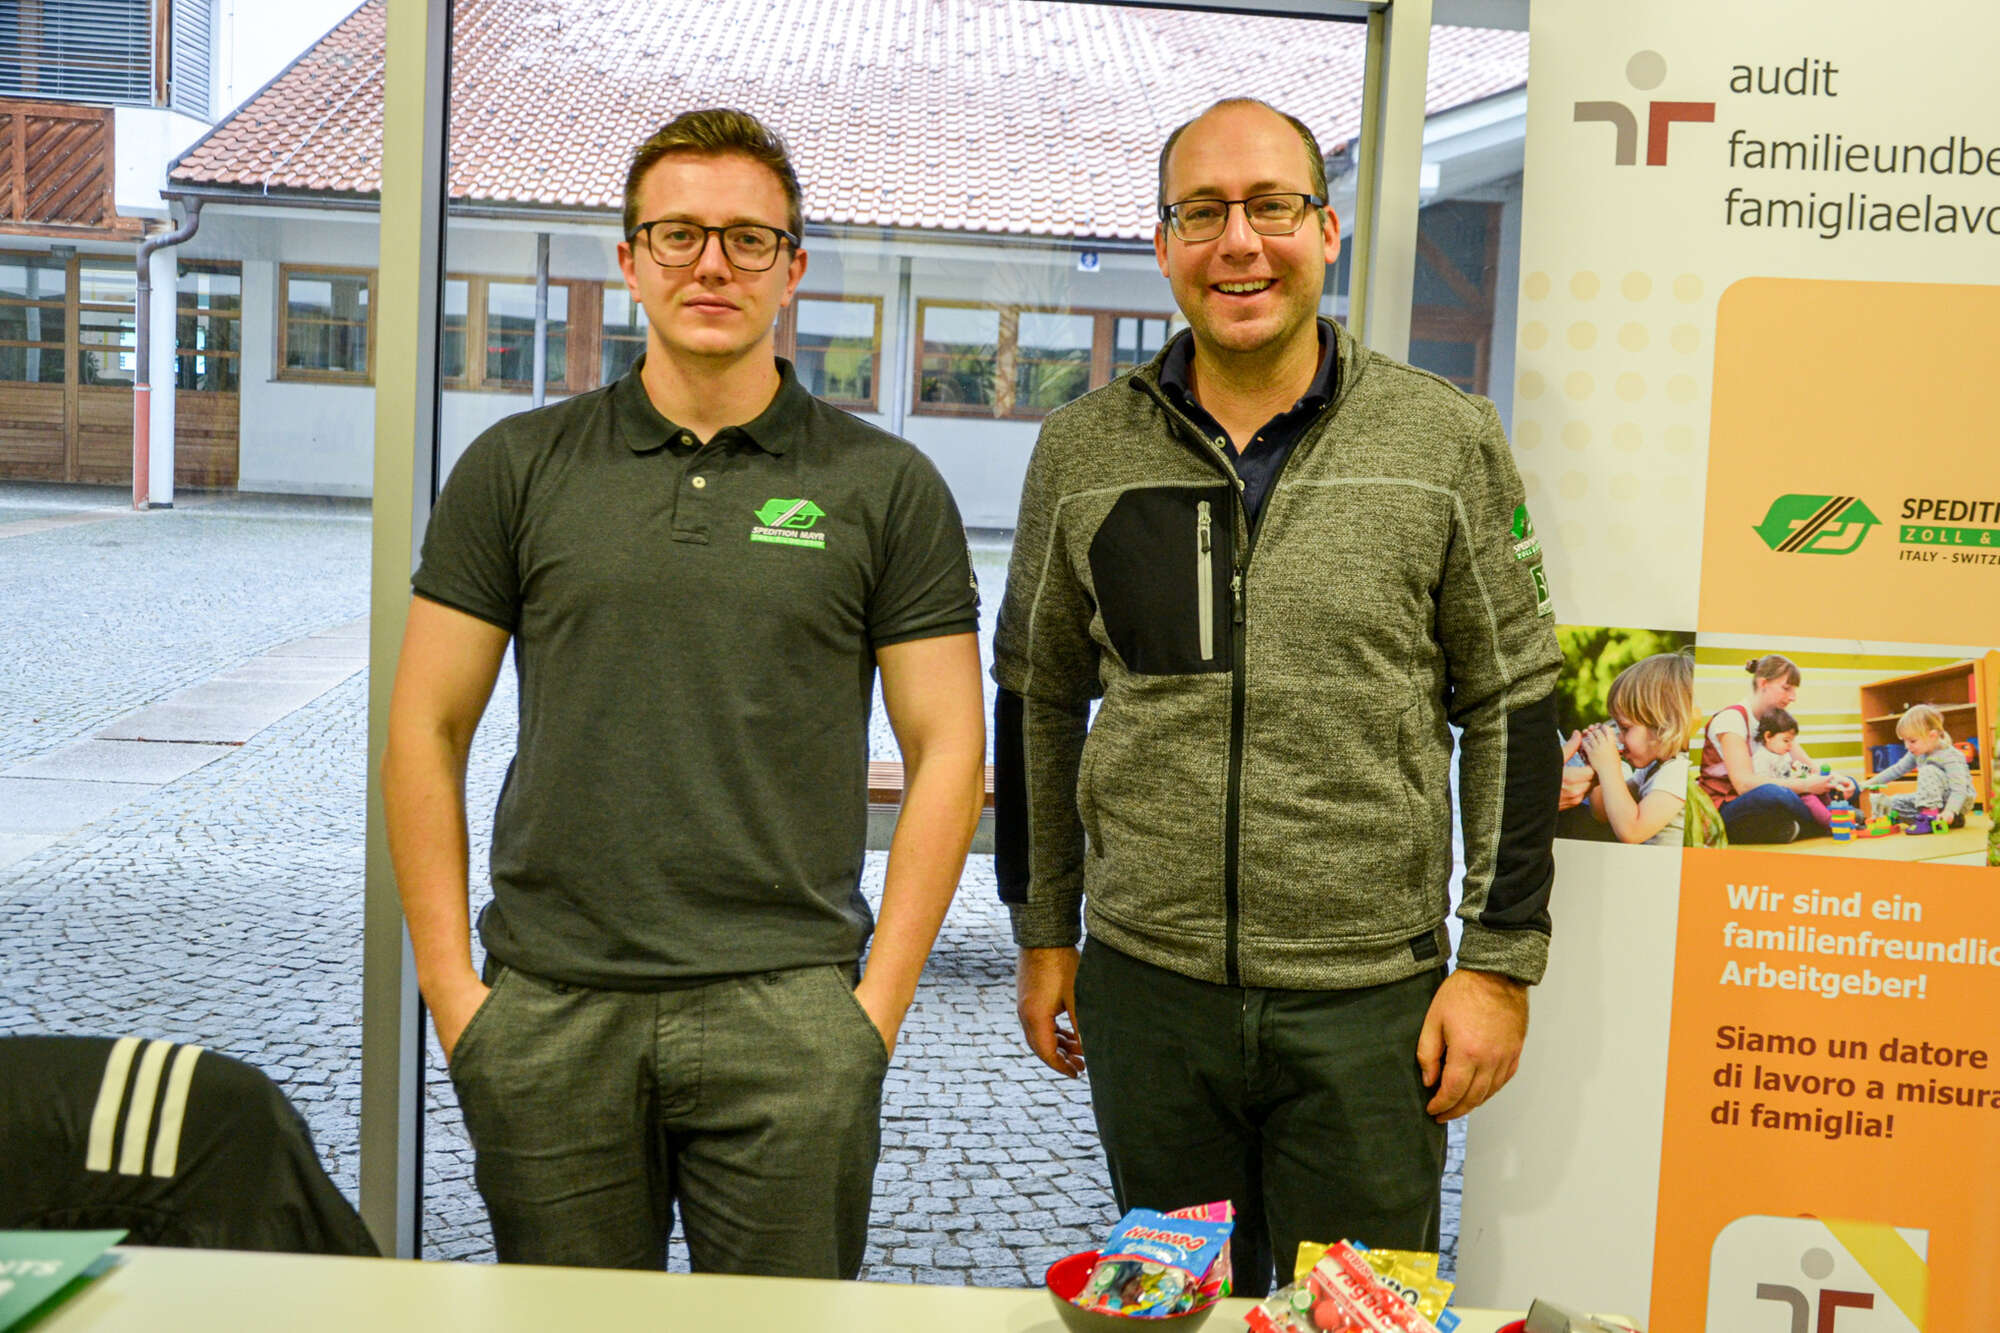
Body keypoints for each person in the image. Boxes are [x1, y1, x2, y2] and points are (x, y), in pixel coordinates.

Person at [380, 108, 986, 1277]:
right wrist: (457, 996)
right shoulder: (516, 467)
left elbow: (947, 748)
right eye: (678, 234)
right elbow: (425, 725)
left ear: (791, 269)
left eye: (747, 239)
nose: (712, 264)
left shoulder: (884, 486)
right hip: (552, 1008)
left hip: (789, 1016)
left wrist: (867, 1018)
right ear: (629, 258)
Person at [991, 97, 1563, 1294]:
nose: (1238, 242)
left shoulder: (1441, 438)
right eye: (1202, 213)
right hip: (1148, 995)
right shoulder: (1083, 451)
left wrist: (1498, 962)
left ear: (1326, 230)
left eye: (1270, 207)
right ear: (1163, 244)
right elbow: (1037, 696)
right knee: (1171, 1307)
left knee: (1355, 1311)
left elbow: (1513, 695)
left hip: (1367, 1005)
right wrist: (1042, 929)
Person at [1696, 654, 1847, 844]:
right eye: (1786, 688)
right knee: (1774, 794)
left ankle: (1801, 826)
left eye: (1794, 690)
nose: (1793, 697)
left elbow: (1808, 765)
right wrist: (1806, 786)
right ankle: (1826, 822)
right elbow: (1744, 784)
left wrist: (1836, 780)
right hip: (1728, 805)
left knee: (1847, 784)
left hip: (1774, 798)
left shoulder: (1776, 721)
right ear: (1763, 683)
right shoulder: (1731, 719)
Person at [1578, 651, 1694, 847]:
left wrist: (1609, 767)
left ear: (1665, 725)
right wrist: (1596, 765)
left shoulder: (1678, 773)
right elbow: (1602, 811)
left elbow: (1631, 831)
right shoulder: (1652, 768)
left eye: (1625, 728)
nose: (1618, 736)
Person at [1861, 705, 1973, 826]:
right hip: (1930, 801)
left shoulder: (1950, 756)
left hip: (1955, 803)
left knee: (1928, 771)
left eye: (1912, 741)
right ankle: (1928, 818)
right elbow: (1897, 769)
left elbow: (1959, 789)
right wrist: (1866, 784)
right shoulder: (1918, 752)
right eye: (1904, 741)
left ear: (1932, 736)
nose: (1907, 746)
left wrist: (1950, 811)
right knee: (1892, 802)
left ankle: (1935, 818)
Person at [1750, 708, 1833, 830]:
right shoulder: (1762, 757)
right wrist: (1796, 781)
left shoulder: (1784, 754)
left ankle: (1836, 812)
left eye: (1792, 741)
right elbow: (1764, 784)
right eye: (1786, 740)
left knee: (1822, 791)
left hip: (1794, 786)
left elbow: (1796, 767)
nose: (1790, 745)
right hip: (1785, 793)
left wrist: (1809, 771)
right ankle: (1829, 823)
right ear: (1768, 736)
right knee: (1809, 797)